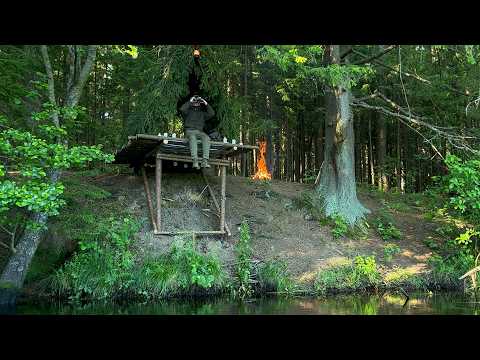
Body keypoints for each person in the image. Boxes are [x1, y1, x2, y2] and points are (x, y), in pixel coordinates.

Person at [179, 95, 215, 169]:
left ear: (200, 103)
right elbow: (182, 109)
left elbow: (212, 113)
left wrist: (205, 103)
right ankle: (195, 161)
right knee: (192, 138)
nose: (196, 103)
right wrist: (190, 101)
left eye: (198, 102)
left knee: (206, 138)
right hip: (189, 131)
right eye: (195, 101)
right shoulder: (188, 111)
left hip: (199, 132)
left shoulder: (202, 113)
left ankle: (204, 161)